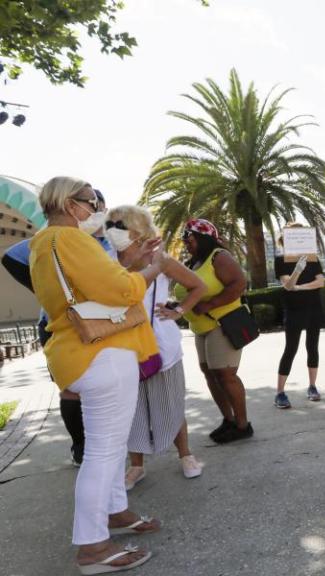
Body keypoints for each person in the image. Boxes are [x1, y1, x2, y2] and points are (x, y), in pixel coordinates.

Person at [30, 177, 164, 573]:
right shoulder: (70, 240)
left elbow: (92, 286)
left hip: (83, 353)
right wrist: (151, 268)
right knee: (104, 454)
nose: (97, 209)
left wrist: (130, 266)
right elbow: (121, 291)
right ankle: (92, 548)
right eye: (91, 202)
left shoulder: (43, 241)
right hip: (101, 352)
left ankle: (115, 512)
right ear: (71, 205)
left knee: (106, 448)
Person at [2, 188, 111, 467]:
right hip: (57, 325)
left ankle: (106, 439)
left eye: (99, 207)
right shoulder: (56, 239)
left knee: (104, 383)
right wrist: (43, 290)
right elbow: (12, 256)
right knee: (70, 388)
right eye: (90, 206)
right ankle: (81, 445)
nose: (95, 212)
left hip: (103, 324)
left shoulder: (111, 245)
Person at [104, 206, 206, 490]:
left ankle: (185, 454)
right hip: (122, 345)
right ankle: (136, 466)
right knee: (130, 409)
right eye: (110, 223)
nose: (113, 228)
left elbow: (198, 286)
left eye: (120, 224)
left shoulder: (160, 258)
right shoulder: (106, 260)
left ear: (137, 228)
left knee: (171, 403)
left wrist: (179, 310)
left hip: (161, 345)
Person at [175, 219, 253, 443]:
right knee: (210, 374)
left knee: (226, 375)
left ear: (202, 238)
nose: (186, 243)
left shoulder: (219, 257)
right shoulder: (193, 262)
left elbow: (239, 284)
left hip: (222, 324)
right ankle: (228, 420)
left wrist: (210, 304)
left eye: (189, 239)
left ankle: (242, 425)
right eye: (184, 239)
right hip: (201, 327)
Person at [273, 224, 325, 409]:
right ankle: (280, 392)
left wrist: (301, 287)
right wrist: (297, 270)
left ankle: (312, 386)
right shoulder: (280, 259)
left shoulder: (312, 258)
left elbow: (321, 282)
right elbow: (287, 285)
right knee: (291, 349)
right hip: (294, 309)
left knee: (313, 347)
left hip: (314, 307)